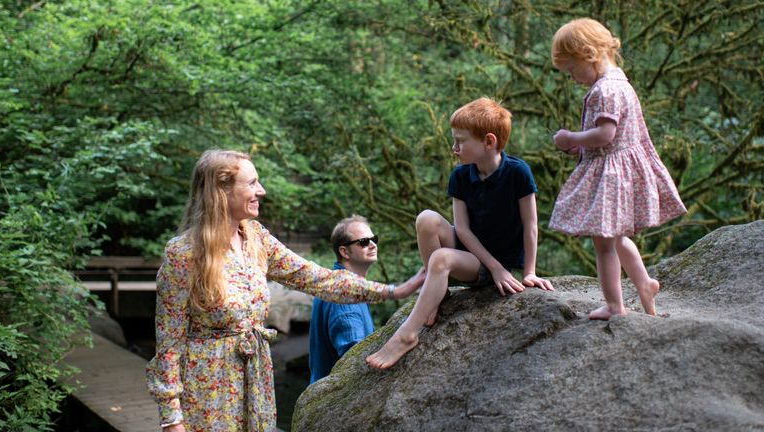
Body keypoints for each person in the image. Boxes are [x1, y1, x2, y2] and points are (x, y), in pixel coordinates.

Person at [145, 150, 423, 432]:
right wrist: (172, 420)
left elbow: (318, 279)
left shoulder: (257, 239)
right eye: (252, 183)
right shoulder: (184, 254)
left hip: (256, 386)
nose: (261, 191)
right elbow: (169, 344)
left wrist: (394, 291)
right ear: (221, 189)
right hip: (207, 392)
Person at [366, 97, 555, 370]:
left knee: (441, 258)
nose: (454, 147)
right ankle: (436, 297)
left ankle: (407, 334)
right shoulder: (461, 175)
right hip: (471, 253)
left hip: (491, 266)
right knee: (426, 219)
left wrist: (527, 272)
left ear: (489, 142)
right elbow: (463, 229)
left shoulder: (518, 172)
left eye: (461, 141)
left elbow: (531, 226)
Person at [548, 18, 687, 320]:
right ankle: (645, 285)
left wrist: (571, 137)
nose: (571, 78)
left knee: (604, 242)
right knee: (616, 235)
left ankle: (614, 304)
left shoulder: (604, 91)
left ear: (588, 54)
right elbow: (612, 134)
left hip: (612, 175)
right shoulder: (620, 81)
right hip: (622, 170)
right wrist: (582, 145)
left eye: (571, 70)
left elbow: (606, 135)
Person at [309, 215, 401, 383]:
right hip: (336, 402)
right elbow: (356, 357)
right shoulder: (344, 297)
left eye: (374, 239)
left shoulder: (339, 284)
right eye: (364, 242)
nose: (373, 245)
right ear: (344, 251)